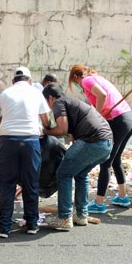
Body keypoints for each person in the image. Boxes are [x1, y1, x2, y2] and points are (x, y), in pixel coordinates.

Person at [42, 83, 113, 231]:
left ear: (50, 98)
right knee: (81, 174)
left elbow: (62, 129)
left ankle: (64, 217)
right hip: (106, 144)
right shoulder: (73, 102)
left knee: (63, 173)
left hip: (93, 141)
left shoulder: (58, 103)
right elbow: (73, 134)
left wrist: (43, 131)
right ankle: (81, 215)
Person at [0, 66, 51, 238]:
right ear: (30, 80)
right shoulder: (37, 93)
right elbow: (47, 122)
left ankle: (4, 227)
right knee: (31, 183)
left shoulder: (4, 94)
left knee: (7, 184)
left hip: (8, 142)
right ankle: (32, 224)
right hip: (31, 142)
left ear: (13, 81)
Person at [68, 64, 132, 213]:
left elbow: (102, 95)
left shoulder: (86, 80)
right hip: (127, 118)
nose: (78, 86)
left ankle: (99, 203)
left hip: (117, 120)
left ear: (76, 76)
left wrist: (96, 117)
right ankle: (122, 197)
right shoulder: (97, 78)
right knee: (115, 160)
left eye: (75, 82)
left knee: (106, 160)